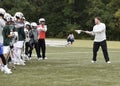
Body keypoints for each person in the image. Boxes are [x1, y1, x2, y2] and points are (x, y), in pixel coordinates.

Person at [0, 8, 12, 74]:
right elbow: (5, 28)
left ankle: (4, 67)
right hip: (0, 40)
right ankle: (5, 68)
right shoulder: (1, 21)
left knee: (1, 55)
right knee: (1, 55)